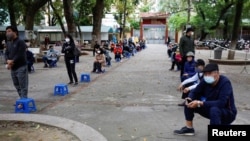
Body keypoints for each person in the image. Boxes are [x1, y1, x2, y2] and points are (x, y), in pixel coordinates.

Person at [174, 63, 237, 136]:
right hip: (211, 109)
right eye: (205, 74)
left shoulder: (225, 83)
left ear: (217, 73)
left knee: (214, 109)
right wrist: (190, 98)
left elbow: (221, 103)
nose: (207, 76)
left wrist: (200, 103)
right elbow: (195, 91)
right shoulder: (205, 81)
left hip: (227, 113)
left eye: (209, 73)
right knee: (189, 102)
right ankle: (189, 128)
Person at [5, 26, 29, 102]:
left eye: (9, 31)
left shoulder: (20, 42)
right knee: (16, 85)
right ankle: (21, 99)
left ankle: (23, 101)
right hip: (13, 68)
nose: (7, 33)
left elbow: (20, 54)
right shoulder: (8, 43)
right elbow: (6, 53)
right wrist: (7, 61)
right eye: (6, 32)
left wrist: (12, 61)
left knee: (23, 85)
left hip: (21, 66)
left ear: (15, 32)